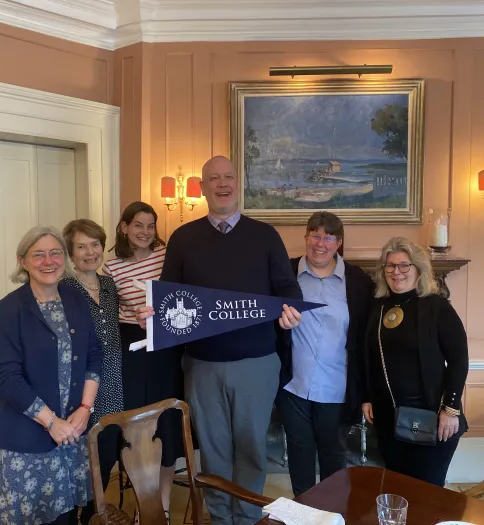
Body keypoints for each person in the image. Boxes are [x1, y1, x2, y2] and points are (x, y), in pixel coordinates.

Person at [138, 155, 303, 525]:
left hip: (257, 364)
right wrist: (153, 313)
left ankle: (245, 517)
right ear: (201, 188)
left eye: (229, 176)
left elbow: (288, 289)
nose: (222, 183)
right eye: (214, 178)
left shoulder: (265, 235)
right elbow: (170, 297)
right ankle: (220, 517)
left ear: (237, 183)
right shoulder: (183, 238)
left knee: (251, 447)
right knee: (212, 451)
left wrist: (291, 312)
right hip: (202, 366)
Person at [0, 226, 103, 525]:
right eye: (38, 254)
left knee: (67, 517)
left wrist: (84, 409)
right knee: (33, 518)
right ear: (23, 261)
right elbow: (5, 378)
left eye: (55, 253)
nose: (48, 261)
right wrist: (52, 423)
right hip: (28, 439)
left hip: (72, 433)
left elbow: (94, 354)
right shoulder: (7, 311)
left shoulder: (75, 300)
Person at [276, 211, 374, 497]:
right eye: (315, 235)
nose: (321, 243)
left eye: (328, 237)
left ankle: (333, 515)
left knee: (334, 458)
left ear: (338, 242)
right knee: (300, 456)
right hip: (293, 386)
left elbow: (367, 339)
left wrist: (367, 390)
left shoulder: (358, 282)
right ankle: (302, 514)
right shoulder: (286, 273)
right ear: (306, 238)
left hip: (337, 387)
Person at [361, 236, 469, 487]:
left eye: (404, 265)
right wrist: (367, 396)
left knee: (427, 493)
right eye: (390, 266)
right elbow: (369, 356)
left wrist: (450, 410)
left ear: (418, 269)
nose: (396, 272)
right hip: (389, 420)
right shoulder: (378, 307)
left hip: (431, 417)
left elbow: (459, 359)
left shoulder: (437, 307)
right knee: (397, 488)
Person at [103, 201, 184, 521]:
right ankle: (142, 501)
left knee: (167, 426)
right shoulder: (111, 267)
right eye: (138, 225)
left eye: (151, 226)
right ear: (124, 227)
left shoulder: (167, 256)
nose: (145, 232)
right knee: (137, 430)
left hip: (166, 350)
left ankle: (161, 505)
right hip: (131, 349)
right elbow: (109, 315)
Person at [61, 219, 123, 521]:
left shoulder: (110, 285)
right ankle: (77, 513)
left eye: (95, 244)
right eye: (81, 246)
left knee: (107, 451)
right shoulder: (64, 288)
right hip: (80, 385)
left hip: (114, 383)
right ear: (71, 254)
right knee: (79, 458)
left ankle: (90, 513)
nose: (90, 252)